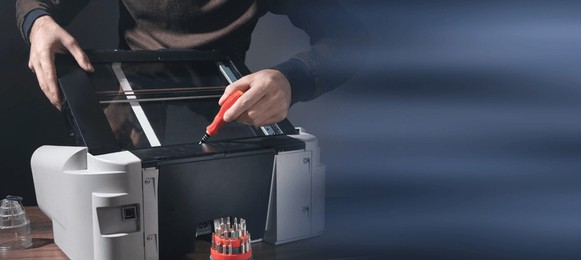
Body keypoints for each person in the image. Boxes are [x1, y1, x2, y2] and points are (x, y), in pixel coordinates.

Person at [15, 0, 367, 127]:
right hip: (128, 110)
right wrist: (38, 22)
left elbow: (350, 37)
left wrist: (291, 80)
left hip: (227, 113)